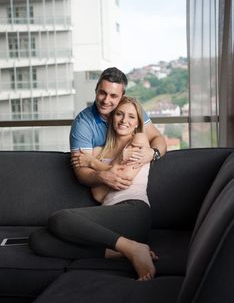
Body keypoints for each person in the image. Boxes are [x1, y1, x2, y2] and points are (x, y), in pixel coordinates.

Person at [30, 97, 158, 281]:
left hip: (134, 212)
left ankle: (134, 249)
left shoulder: (139, 139)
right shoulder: (101, 150)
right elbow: (99, 195)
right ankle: (124, 250)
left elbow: (125, 178)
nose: (124, 120)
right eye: (120, 114)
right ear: (112, 117)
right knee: (38, 240)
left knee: (59, 218)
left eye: (131, 116)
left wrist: (92, 163)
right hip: (111, 219)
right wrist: (112, 163)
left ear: (138, 122)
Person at [70, 67, 167, 192]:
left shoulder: (132, 111)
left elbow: (157, 138)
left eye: (113, 96)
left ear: (122, 96)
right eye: (102, 93)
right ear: (96, 90)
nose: (106, 100)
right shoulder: (83, 124)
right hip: (100, 192)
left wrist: (153, 153)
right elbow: (81, 172)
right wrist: (101, 176)